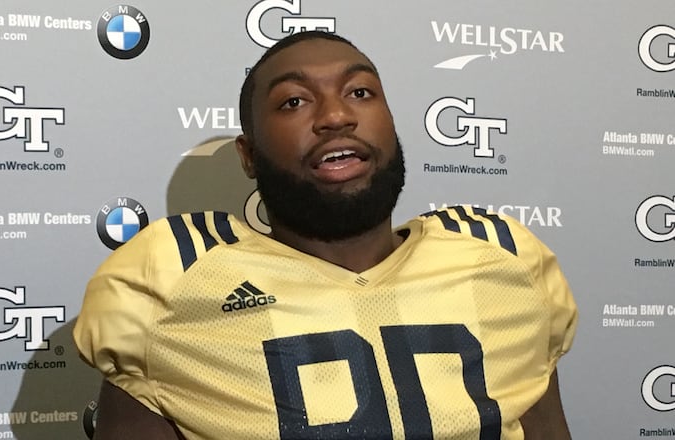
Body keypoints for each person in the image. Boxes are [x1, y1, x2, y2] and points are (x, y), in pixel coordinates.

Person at [73, 31, 578, 440]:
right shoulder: (175, 282)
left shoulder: (500, 259)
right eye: (293, 101)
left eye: (360, 92)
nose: (336, 116)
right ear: (248, 156)